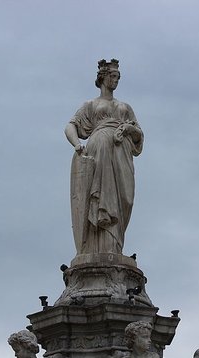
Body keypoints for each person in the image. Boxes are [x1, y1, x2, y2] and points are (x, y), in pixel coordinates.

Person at [65, 59, 143, 255]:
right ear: (103, 77)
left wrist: (129, 128)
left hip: (122, 151)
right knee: (101, 198)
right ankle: (99, 247)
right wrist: (77, 145)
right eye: (112, 76)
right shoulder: (91, 104)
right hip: (99, 147)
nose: (116, 81)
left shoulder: (125, 107)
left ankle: (115, 246)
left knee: (124, 198)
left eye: (118, 77)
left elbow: (139, 135)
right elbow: (70, 126)